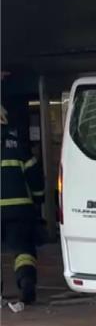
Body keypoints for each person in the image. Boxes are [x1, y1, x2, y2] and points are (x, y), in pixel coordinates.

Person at [1, 105, 45, 304]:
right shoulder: (18, 146)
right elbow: (34, 175)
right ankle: (26, 280)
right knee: (23, 249)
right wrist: (38, 199)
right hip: (19, 210)